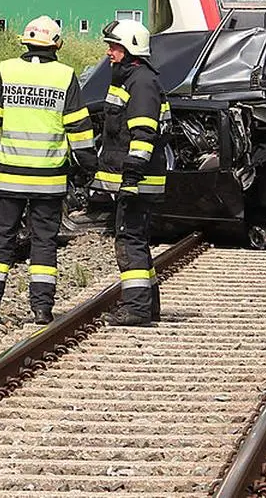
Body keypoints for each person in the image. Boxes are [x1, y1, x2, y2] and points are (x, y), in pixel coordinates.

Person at [0, 16, 96, 325]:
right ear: (57, 45)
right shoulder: (65, 76)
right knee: (44, 241)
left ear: (25, 42)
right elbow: (78, 127)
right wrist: (88, 168)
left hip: (10, 176)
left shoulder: (8, 71)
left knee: (1, 237)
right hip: (49, 179)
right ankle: (41, 309)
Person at [92, 19, 170, 327]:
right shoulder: (130, 79)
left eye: (114, 47)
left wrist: (131, 178)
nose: (109, 52)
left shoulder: (141, 83)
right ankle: (148, 307)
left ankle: (136, 310)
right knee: (135, 239)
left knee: (129, 241)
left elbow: (143, 135)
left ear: (130, 50)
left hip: (138, 181)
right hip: (134, 179)